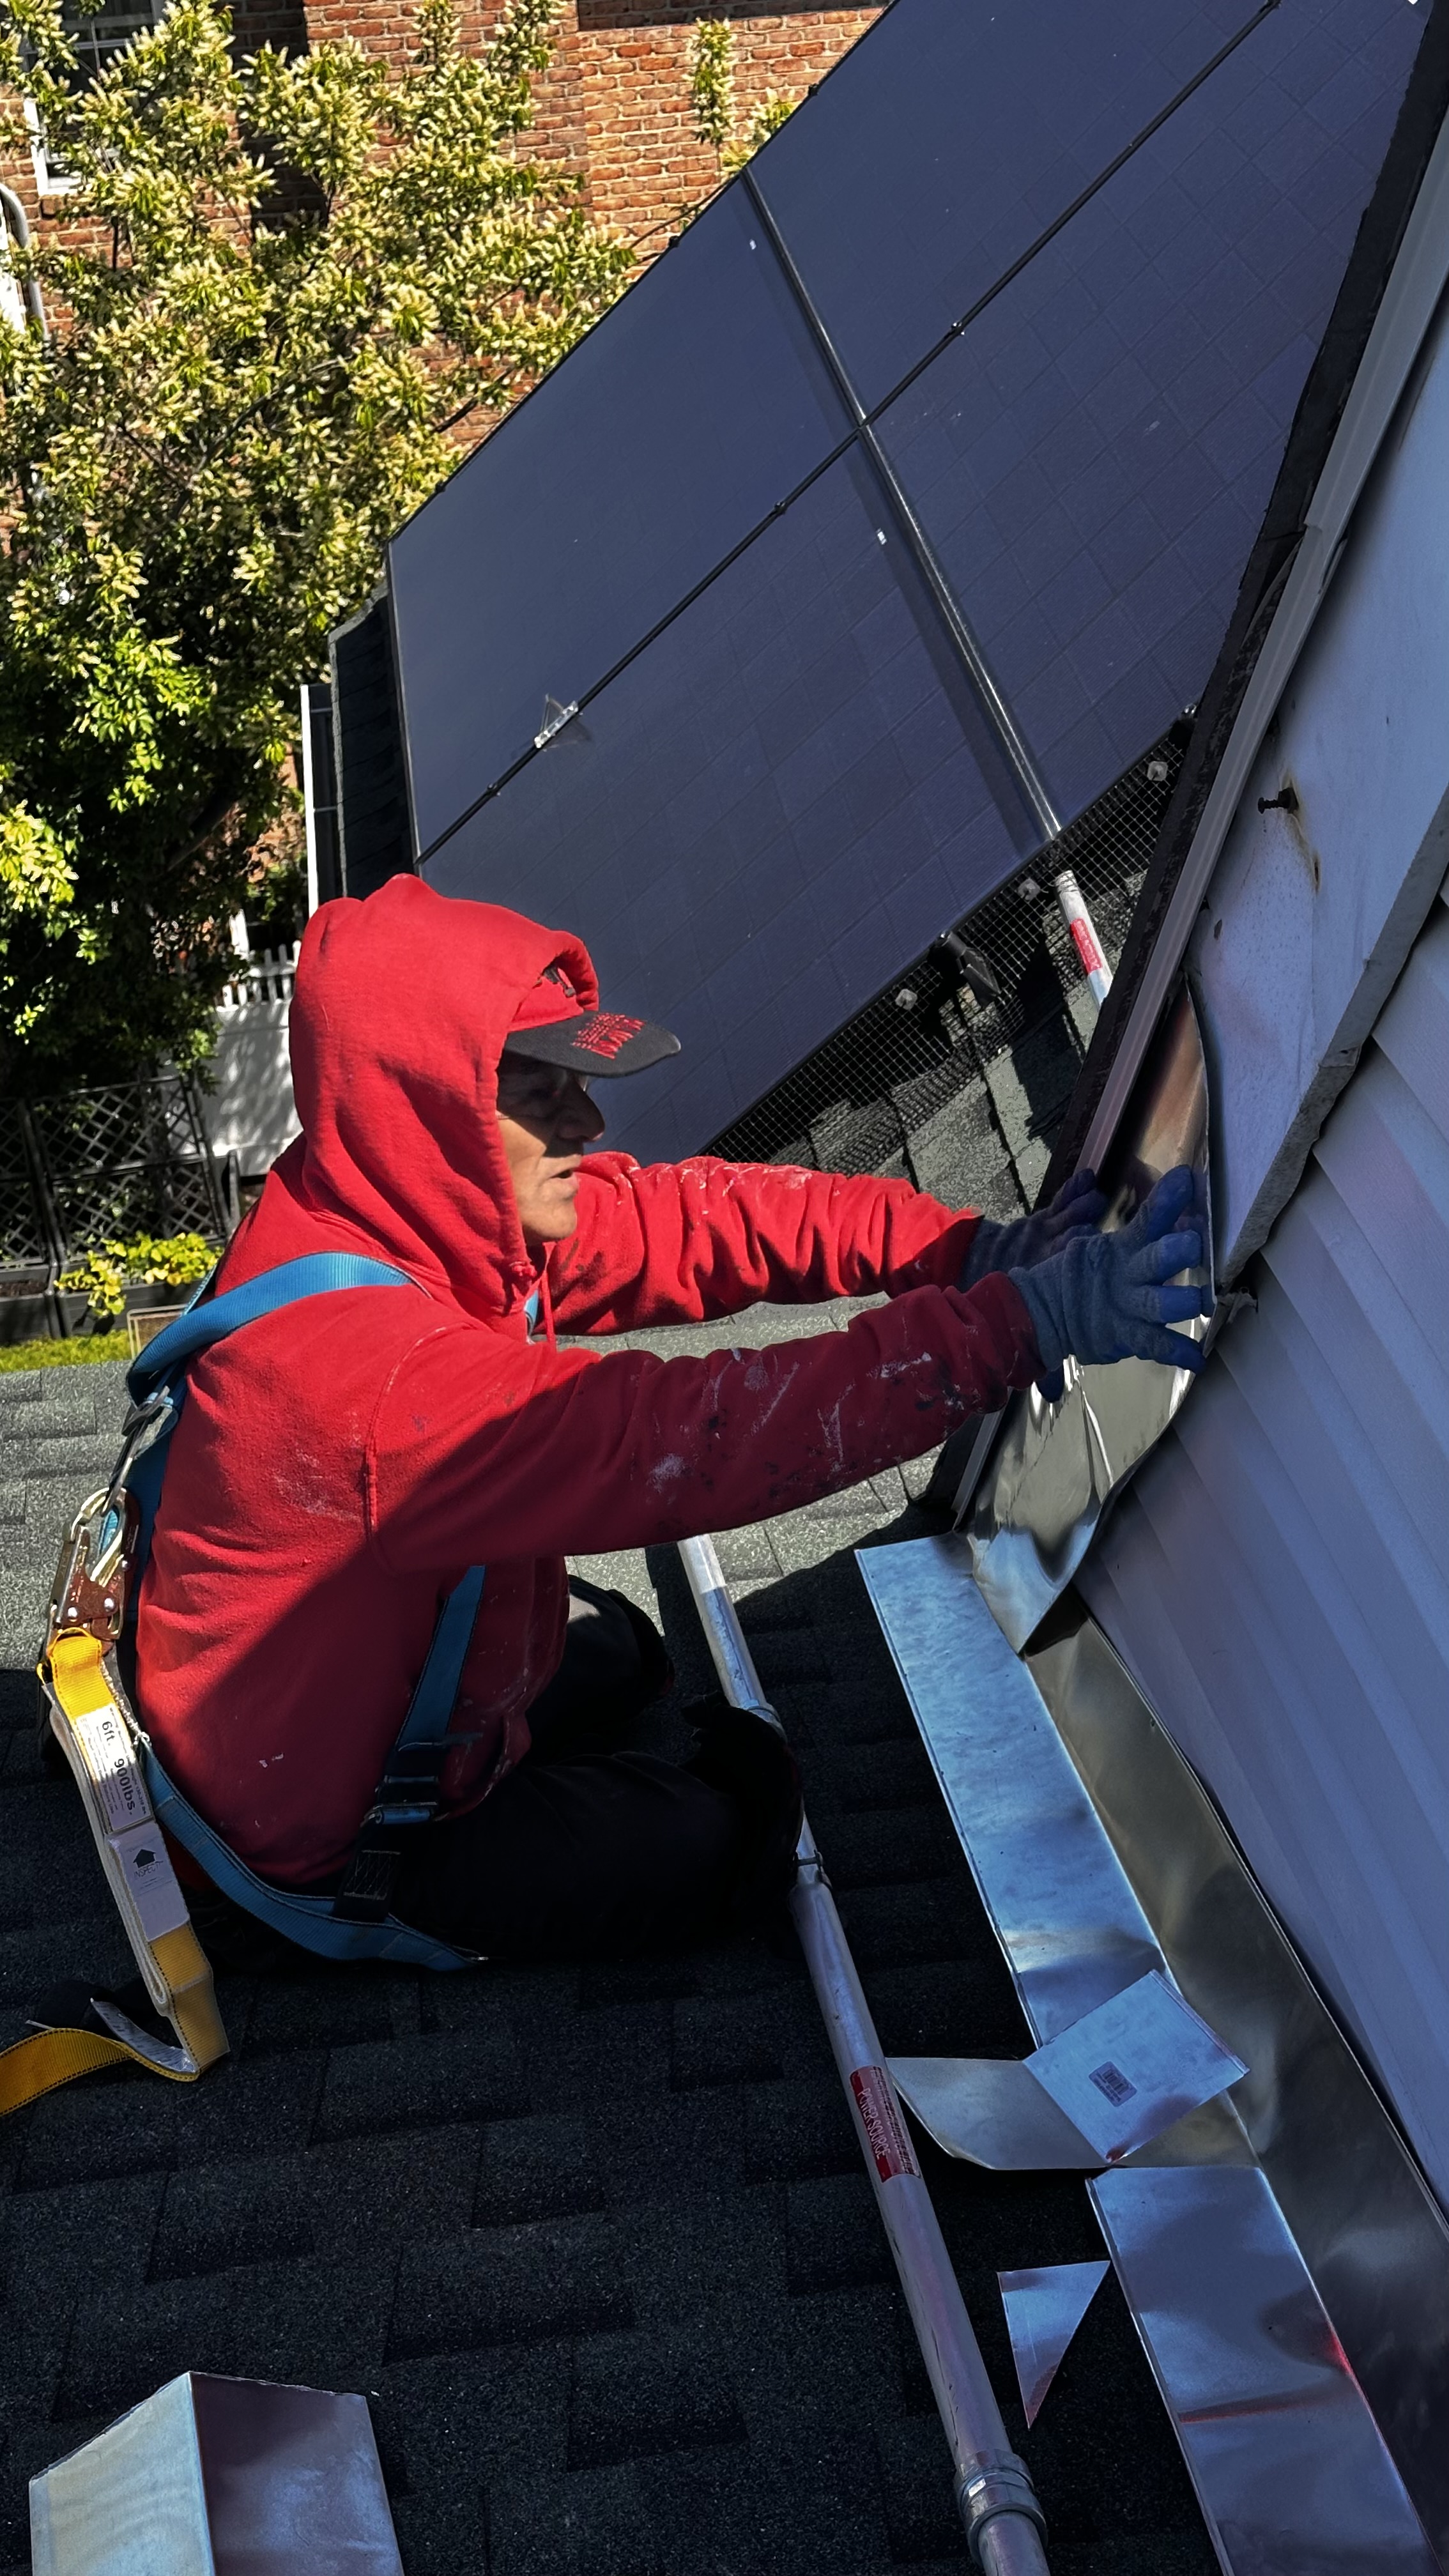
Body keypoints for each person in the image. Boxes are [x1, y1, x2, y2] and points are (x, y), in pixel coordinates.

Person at [136, 877, 1208, 1966]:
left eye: (577, 1084)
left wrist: (960, 1251)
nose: (589, 1125)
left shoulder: (386, 1197)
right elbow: (696, 1438)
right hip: (324, 1827)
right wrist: (1018, 1325)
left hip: (322, 1684)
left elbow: (687, 1223)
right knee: (727, 1829)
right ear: (428, 1109)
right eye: (542, 1093)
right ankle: (423, 1869)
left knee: (626, 1656)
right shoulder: (370, 1387)